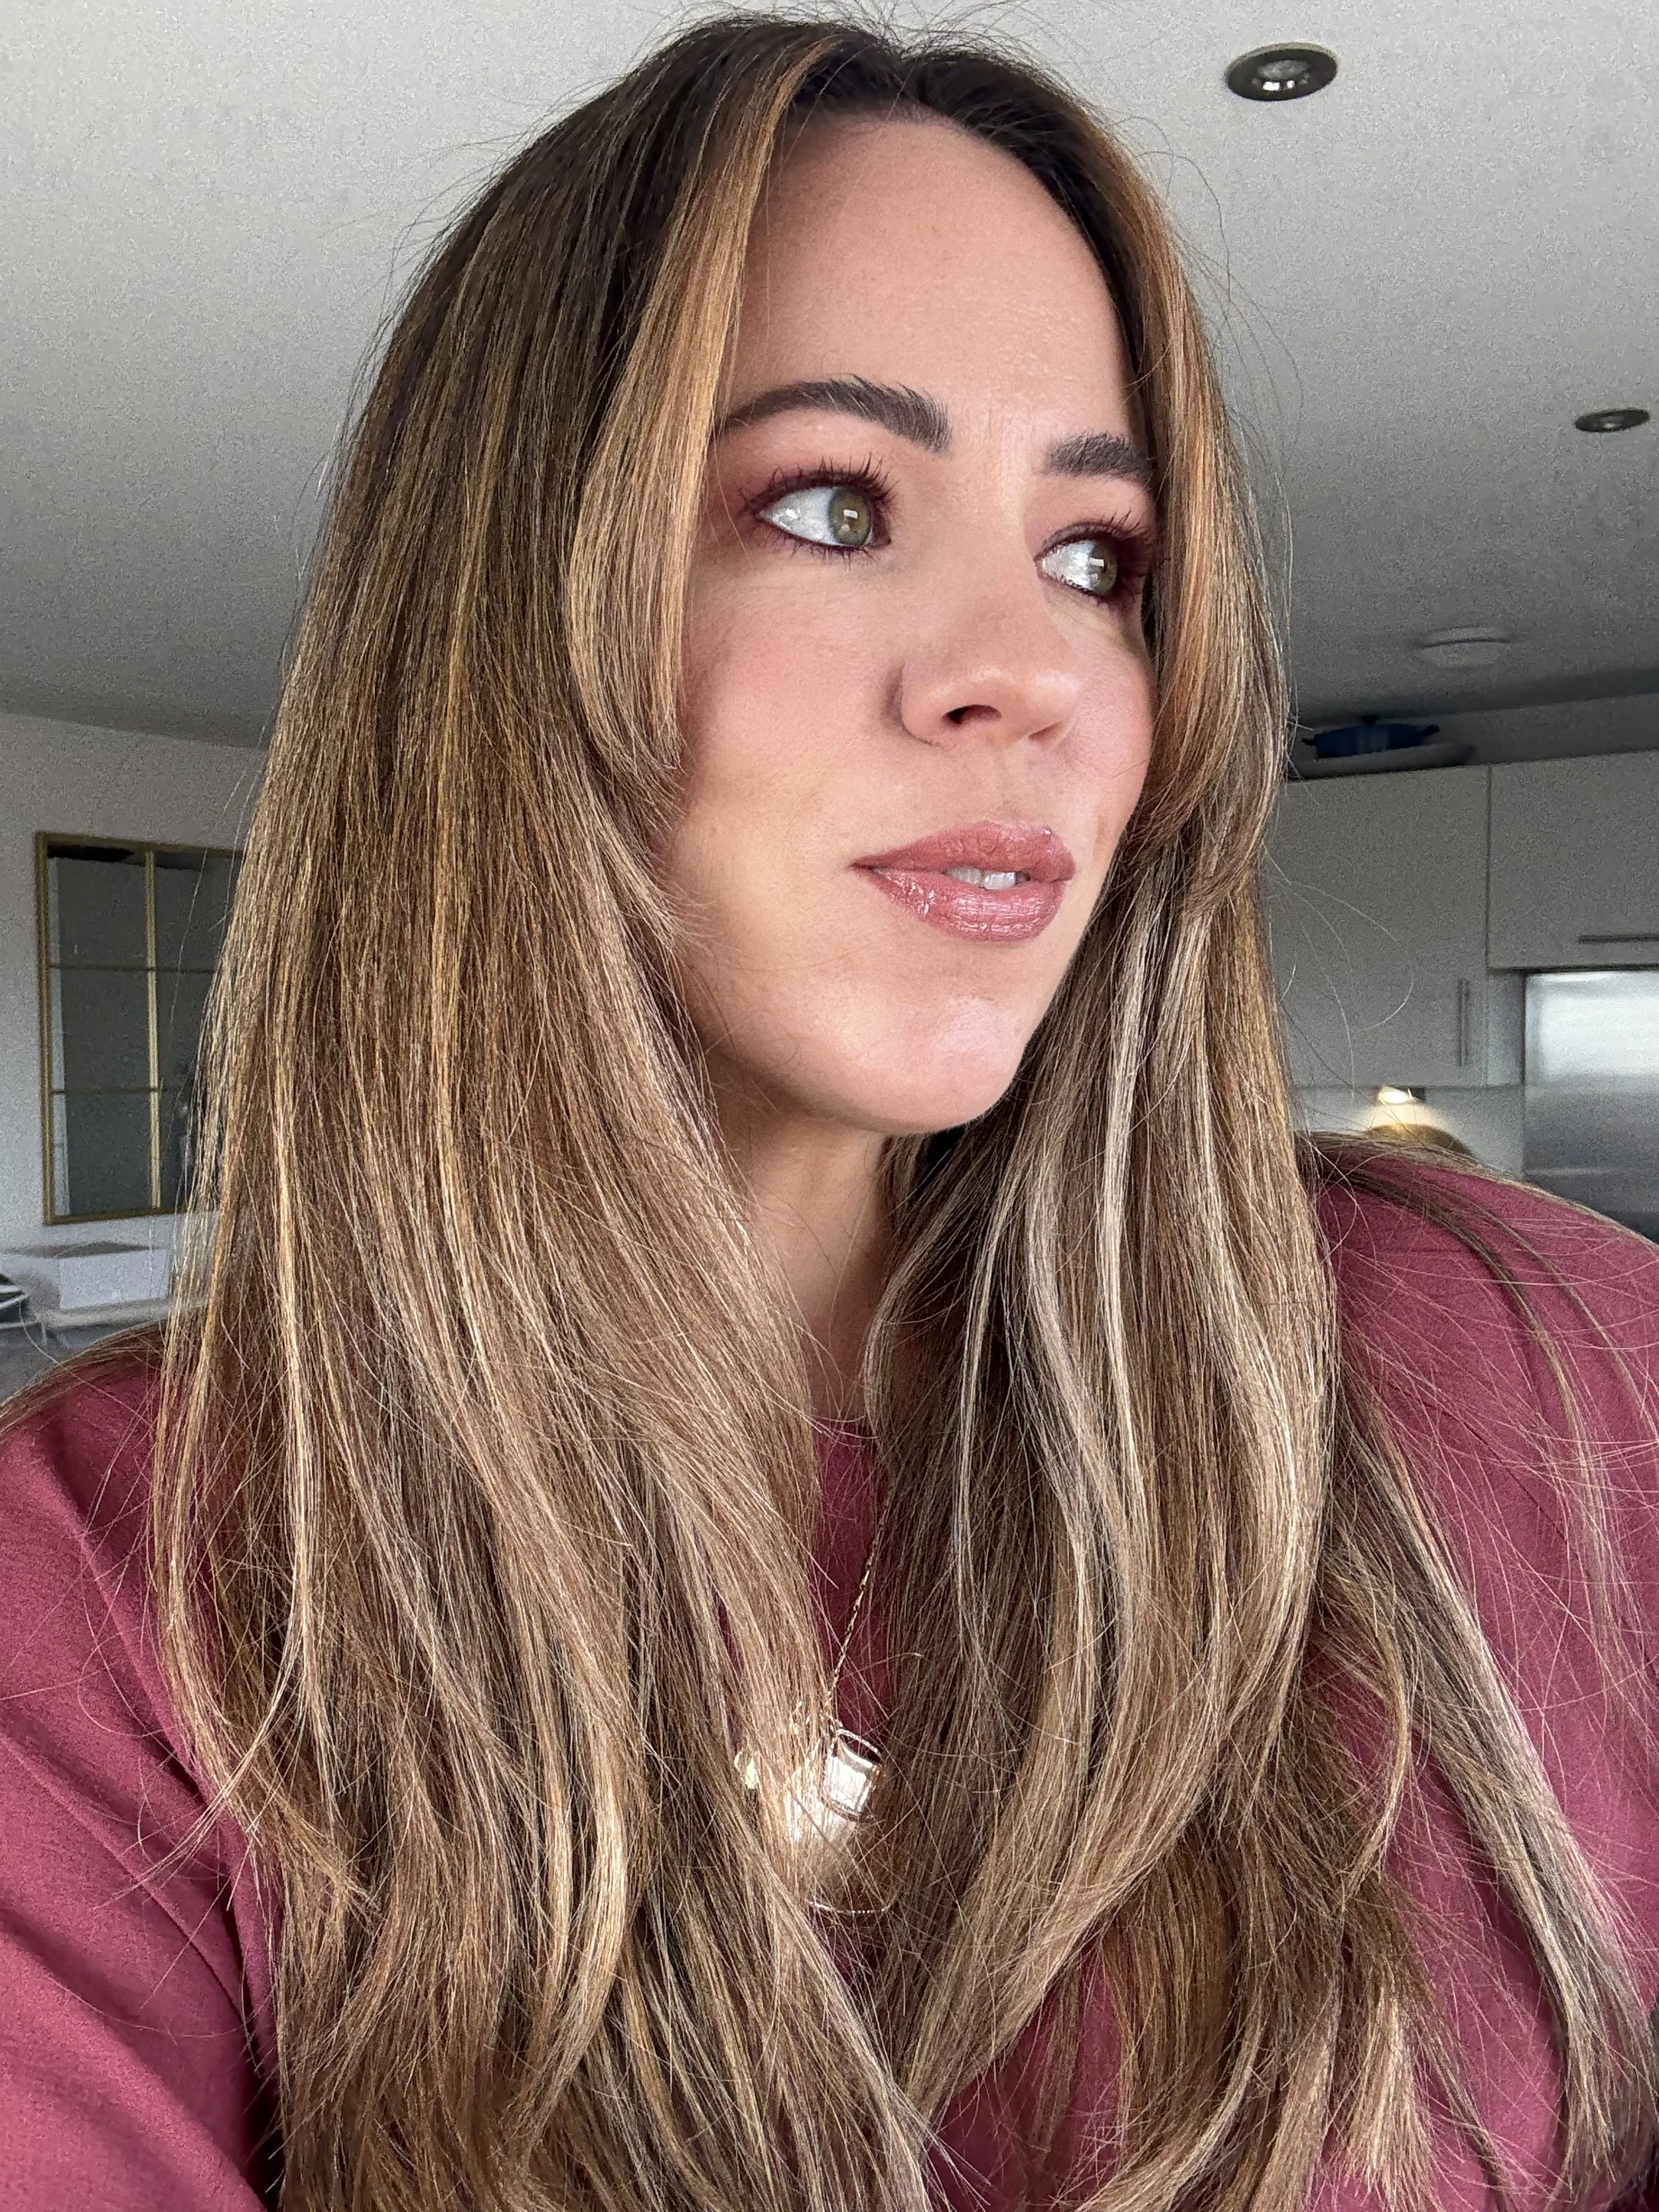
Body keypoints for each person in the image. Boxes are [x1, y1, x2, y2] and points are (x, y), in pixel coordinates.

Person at [3, 15, 1659, 2211]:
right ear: (510, 634)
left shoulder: (1525, 1359)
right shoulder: (119, 1579)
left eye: (1100, 558)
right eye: (825, 504)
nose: (1039, 673)